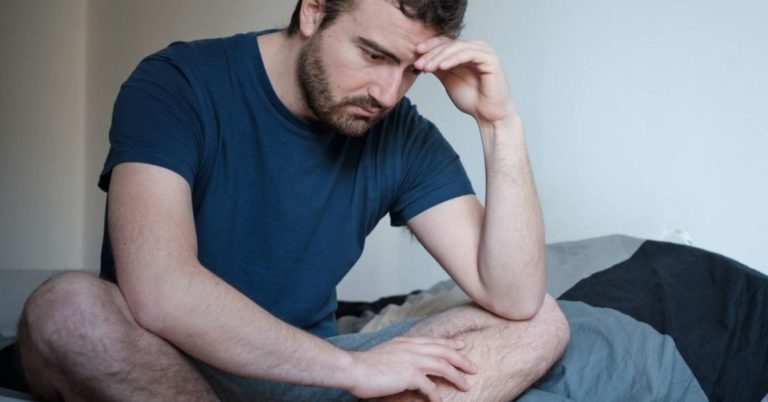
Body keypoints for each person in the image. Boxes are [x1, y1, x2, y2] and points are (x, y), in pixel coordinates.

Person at [17, 0, 569, 400]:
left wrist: (499, 123)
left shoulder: (401, 132)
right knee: (67, 311)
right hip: (170, 364)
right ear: (313, 11)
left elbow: (515, 297)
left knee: (542, 323)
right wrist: (354, 371)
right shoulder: (177, 84)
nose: (387, 93)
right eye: (373, 55)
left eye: (410, 71)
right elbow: (160, 291)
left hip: (311, 376)